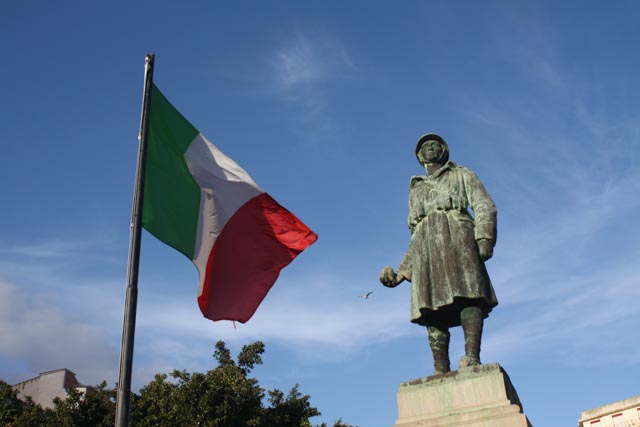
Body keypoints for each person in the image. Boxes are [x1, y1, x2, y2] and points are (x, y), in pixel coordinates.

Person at [380, 133, 498, 374]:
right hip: (426, 249)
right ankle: (440, 368)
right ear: (419, 156)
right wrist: (401, 273)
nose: (430, 147)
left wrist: (484, 236)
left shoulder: (461, 174)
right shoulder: (416, 188)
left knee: (469, 295)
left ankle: (472, 356)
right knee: (431, 308)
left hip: (458, 236)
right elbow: (415, 234)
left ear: (444, 150)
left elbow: (484, 205)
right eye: (425, 146)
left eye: (435, 144)